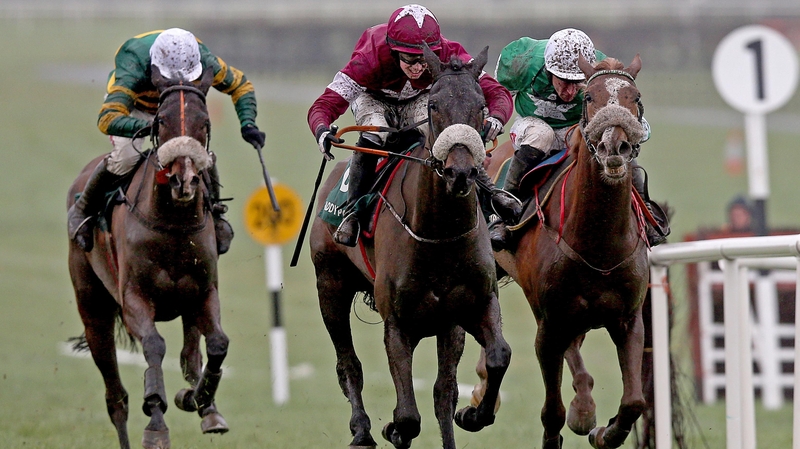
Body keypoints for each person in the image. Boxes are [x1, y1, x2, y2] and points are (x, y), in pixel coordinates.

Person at [307, 4, 519, 247]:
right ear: (393, 51)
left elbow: (497, 93)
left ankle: (491, 195)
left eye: (424, 60)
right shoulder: (369, 58)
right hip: (375, 99)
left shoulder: (449, 52)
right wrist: (322, 129)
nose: (418, 67)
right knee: (374, 133)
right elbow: (323, 105)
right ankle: (353, 212)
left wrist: (496, 117)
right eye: (410, 59)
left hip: (418, 99)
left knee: (447, 135)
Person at [67, 28, 266, 255]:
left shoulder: (204, 58)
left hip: (178, 108)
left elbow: (241, 86)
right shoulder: (133, 64)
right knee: (126, 157)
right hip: (138, 109)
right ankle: (82, 209)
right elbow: (107, 119)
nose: (182, 79)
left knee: (200, 155)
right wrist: (148, 128)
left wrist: (248, 123)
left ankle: (217, 213)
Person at [491, 28, 668, 248]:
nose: (570, 91)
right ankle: (502, 215)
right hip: (533, 125)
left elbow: (620, 115)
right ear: (547, 70)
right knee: (541, 136)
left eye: (577, 83)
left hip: (576, 128)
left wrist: (632, 131)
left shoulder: (602, 70)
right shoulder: (522, 62)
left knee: (614, 138)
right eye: (563, 81)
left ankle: (645, 209)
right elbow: (497, 93)